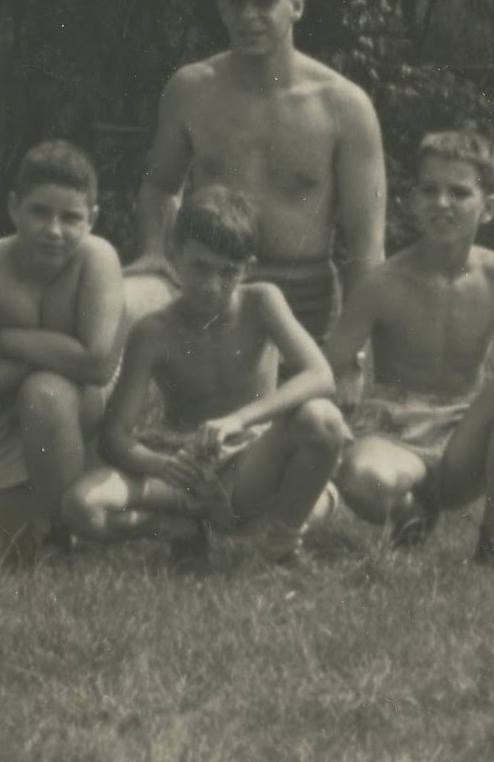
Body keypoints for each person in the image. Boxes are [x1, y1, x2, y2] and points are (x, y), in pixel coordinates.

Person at [320, 129, 494, 571]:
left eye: (458, 192)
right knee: (364, 479)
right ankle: (409, 515)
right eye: (429, 190)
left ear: (489, 207)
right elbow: (326, 367)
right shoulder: (383, 283)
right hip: (393, 427)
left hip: (462, 432)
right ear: (414, 200)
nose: (442, 203)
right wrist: (335, 401)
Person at [63, 188, 347, 564]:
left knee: (324, 420)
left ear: (248, 267)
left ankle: (280, 543)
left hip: (249, 460)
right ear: (175, 254)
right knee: (82, 506)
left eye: (228, 272)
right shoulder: (154, 331)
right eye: (200, 267)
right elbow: (114, 437)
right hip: (179, 462)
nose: (212, 285)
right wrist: (159, 465)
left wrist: (239, 419)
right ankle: (177, 529)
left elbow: (321, 375)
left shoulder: (261, 302)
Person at [133, 0, 385, 343]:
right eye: (234, 0)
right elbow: (160, 187)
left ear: (296, 4)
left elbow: (366, 243)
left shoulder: (343, 105)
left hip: (303, 296)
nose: (248, 15)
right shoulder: (192, 89)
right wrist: (154, 252)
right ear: (220, 7)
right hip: (210, 287)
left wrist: (352, 349)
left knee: (313, 412)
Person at [0, 141, 127, 564]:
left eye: (70, 217)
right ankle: (64, 516)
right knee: (5, 555)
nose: (54, 229)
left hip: (78, 412)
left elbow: (97, 364)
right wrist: (59, 352)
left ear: (92, 219)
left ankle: (63, 533)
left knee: (45, 392)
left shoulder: (97, 259)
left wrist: (8, 341)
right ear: (13, 208)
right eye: (40, 212)